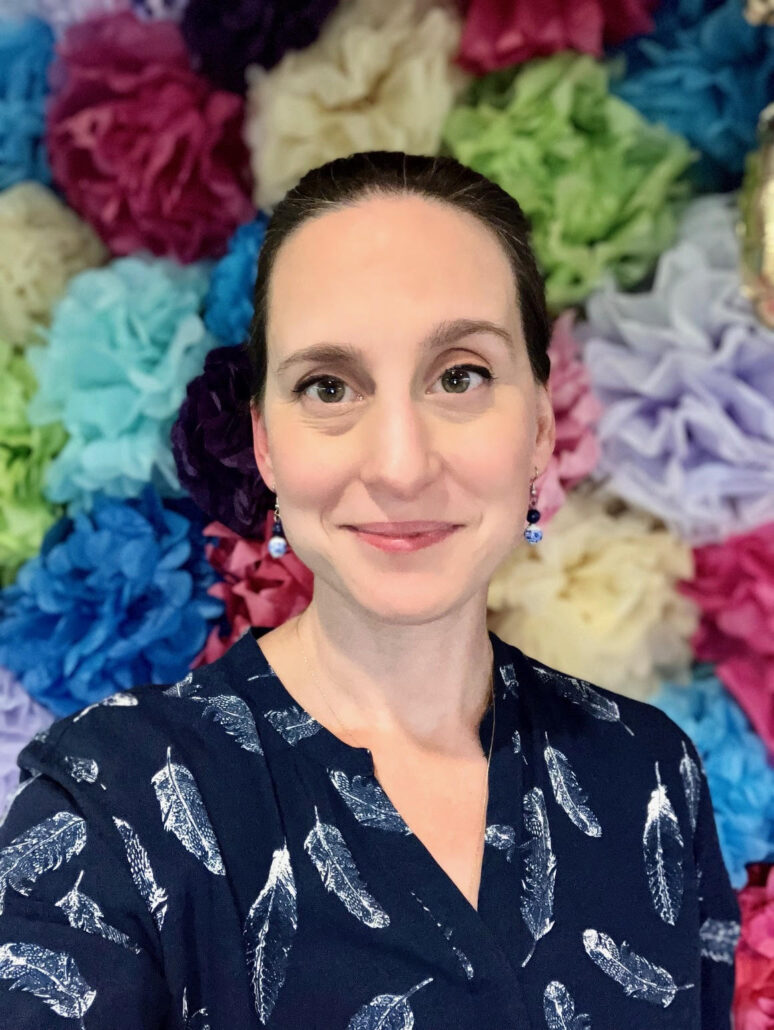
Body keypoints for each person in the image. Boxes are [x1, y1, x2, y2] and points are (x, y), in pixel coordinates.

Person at [0, 151, 739, 1029]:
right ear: (266, 445)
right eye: (329, 386)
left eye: (460, 376)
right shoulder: (111, 807)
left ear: (540, 428)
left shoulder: (648, 772)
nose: (400, 465)